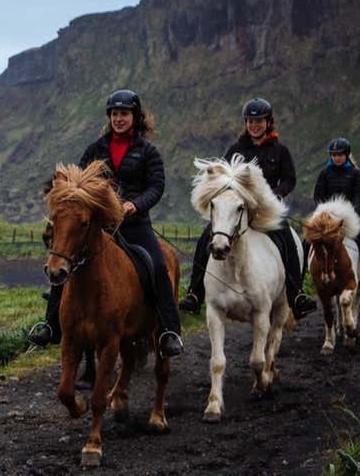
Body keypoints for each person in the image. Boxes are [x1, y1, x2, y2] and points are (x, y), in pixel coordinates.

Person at [27, 89, 184, 358]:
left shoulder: (148, 152)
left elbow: (156, 187)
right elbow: (77, 186)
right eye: (114, 114)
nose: (119, 119)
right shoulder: (95, 150)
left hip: (135, 225)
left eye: (124, 114)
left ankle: (170, 331)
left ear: (135, 116)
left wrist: (135, 204)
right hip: (101, 227)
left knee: (158, 266)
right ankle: (50, 325)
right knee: (65, 260)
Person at [179, 98, 318, 318]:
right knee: (207, 237)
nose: (254, 125)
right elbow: (222, 178)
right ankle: (194, 294)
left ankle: (296, 294)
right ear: (246, 123)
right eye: (250, 121)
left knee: (288, 240)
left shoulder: (280, 151)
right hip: (236, 210)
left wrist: (276, 194)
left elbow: (289, 180)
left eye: (259, 121)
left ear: (268, 122)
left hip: (265, 210)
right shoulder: (236, 149)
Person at [313, 137, 360, 291]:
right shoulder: (324, 174)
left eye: (340, 154)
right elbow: (318, 196)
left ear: (347, 154)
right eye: (334, 154)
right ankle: (302, 278)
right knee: (308, 241)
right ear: (330, 156)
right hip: (328, 217)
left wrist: (352, 212)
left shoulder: (356, 174)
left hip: (350, 216)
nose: (337, 157)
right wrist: (322, 212)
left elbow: (358, 196)